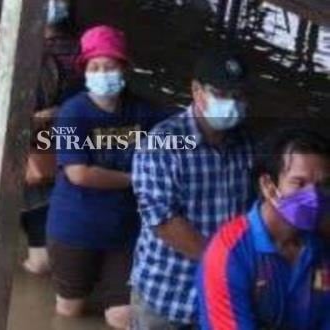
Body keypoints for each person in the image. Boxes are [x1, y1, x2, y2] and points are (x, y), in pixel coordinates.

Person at [43, 25, 165, 329]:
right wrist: (137, 179)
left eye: (109, 66)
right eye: (95, 67)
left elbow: (179, 134)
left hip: (125, 231)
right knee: (70, 311)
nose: (102, 73)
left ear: (124, 68)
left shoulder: (143, 112)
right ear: (84, 72)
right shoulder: (72, 114)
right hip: (75, 228)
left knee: (122, 317)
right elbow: (79, 174)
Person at [0, 0, 83, 275]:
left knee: (42, 264)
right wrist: (36, 121)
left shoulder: (68, 57)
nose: (53, 4)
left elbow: (81, 118)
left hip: (46, 166)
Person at [131, 52, 256, 329]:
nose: (232, 104)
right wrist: (225, 264)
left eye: (239, 95)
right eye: (222, 93)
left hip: (221, 298)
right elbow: (163, 221)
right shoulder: (163, 141)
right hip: (168, 294)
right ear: (196, 91)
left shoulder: (245, 143)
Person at [198, 127, 330, 329]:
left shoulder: (321, 241)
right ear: (268, 185)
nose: (314, 196)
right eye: (299, 183)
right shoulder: (229, 253)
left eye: (322, 185)